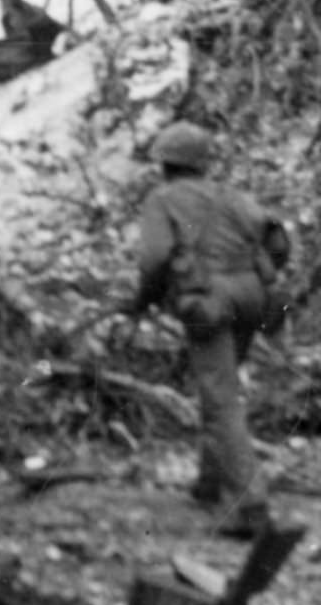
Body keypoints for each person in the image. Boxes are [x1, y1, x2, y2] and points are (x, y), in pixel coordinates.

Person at [123, 124, 295, 538]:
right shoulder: (232, 195)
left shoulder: (162, 200)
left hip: (210, 303)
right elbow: (278, 241)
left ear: (165, 164)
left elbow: (154, 257)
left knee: (221, 399)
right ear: (202, 162)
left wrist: (142, 301)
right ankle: (210, 482)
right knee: (220, 387)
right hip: (254, 296)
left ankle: (250, 504)